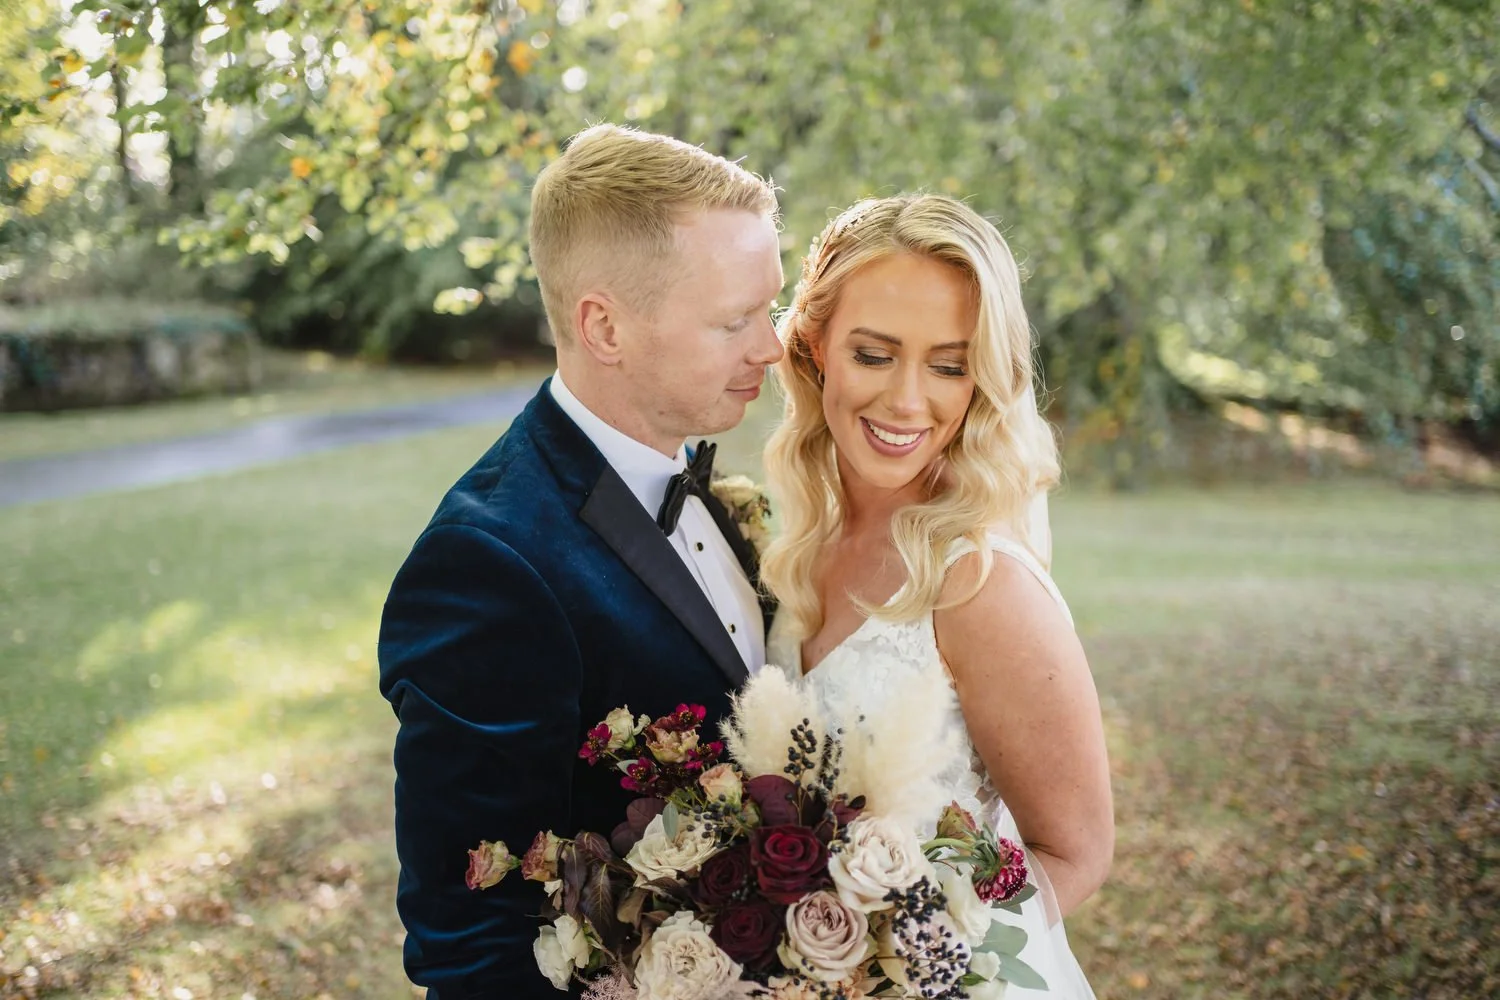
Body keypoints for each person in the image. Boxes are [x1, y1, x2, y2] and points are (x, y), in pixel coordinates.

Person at [377, 125, 784, 998]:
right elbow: (471, 942)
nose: (773, 348)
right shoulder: (486, 567)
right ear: (604, 325)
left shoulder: (700, 476)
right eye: (733, 320)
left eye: (771, 308)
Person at [761, 194, 1112, 997]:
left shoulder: (981, 586)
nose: (908, 401)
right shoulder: (794, 545)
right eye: (875, 355)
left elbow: (1076, 852)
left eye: (949, 366)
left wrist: (899, 973)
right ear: (815, 346)